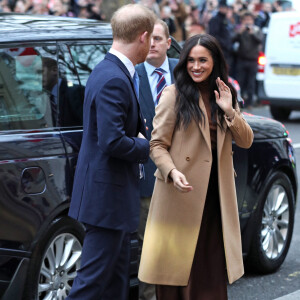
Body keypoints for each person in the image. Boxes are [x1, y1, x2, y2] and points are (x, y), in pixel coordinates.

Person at [138, 33, 253, 299]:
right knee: (177, 273)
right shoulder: (174, 94)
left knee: (209, 272)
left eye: (203, 60)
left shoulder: (225, 94)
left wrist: (229, 111)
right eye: (190, 60)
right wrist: (172, 171)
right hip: (181, 193)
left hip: (215, 197)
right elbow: (157, 145)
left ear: (215, 62)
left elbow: (246, 141)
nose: (196, 66)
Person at [67, 4, 156, 300]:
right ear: (143, 37)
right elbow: (112, 140)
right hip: (107, 202)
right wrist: (145, 144)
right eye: (152, 38)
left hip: (110, 199)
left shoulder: (108, 70)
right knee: (90, 285)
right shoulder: (115, 78)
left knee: (115, 283)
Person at [135, 19, 178, 300]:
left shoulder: (186, 71)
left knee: (181, 246)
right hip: (148, 178)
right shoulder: (131, 74)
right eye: (148, 39)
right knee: (150, 248)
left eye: (158, 39)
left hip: (185, 177)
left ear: (169, 43)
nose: (153, 44)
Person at [232, 11, 263, 108]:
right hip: (241, 59)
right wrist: (239, 32)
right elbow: (232, 40)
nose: (248, 22)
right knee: (239, 82)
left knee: (251, 82)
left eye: (249, 20)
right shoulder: (240, 30)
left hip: (253, 60)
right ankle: (238, 102)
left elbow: (260, 40)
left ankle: (249, 103)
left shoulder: (257, 30)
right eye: (246, 20)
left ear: (253, 21)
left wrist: (252, 33)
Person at [208, 0, 232, 69]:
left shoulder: (226, 20)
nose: (225, 9)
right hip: (219, 49)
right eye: (223, 7)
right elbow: (213, 35)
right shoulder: (215, 20)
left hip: (226, 51)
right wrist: (224, 43)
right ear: (220, 8)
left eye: (226, 8)